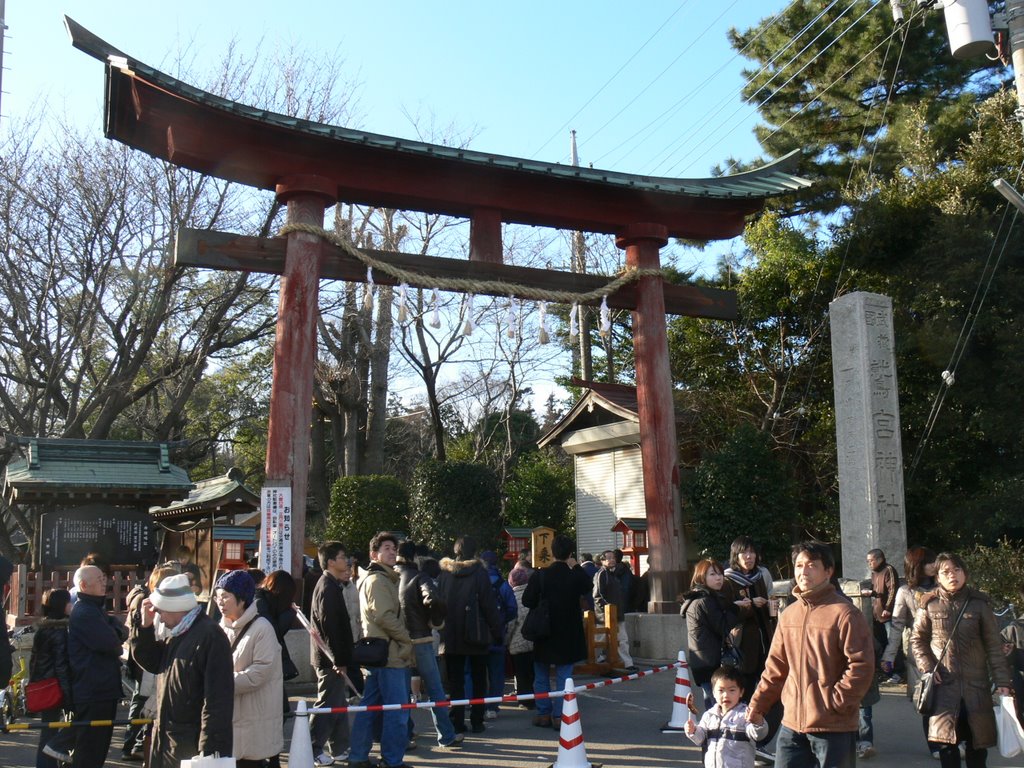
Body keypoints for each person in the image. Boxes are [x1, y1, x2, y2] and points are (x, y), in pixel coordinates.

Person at [747, 541, 874, 768]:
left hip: (833, 725)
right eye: (798, 565)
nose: (803, 571)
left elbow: (861, 666)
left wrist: (836, 701)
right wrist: (758, 706)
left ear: (828, 571)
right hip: (792, 724)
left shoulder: (845, 613)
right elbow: (776, 668)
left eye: (812, 565)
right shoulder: (788, 615)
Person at [911, 552, 1013, 768]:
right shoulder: (929, 603)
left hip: (976, 687)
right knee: (947, 748)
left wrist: (1003, 683)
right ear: (938, 577)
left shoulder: (980, 604)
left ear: (965, 573)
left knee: (977, 748)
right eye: (946, 571)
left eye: (957, 570)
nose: (952, 575)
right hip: (943, 688)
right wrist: (928, 668)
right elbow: (917, 640)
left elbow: (994, 647)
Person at [132, 572, 234, 767]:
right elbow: (153, 662)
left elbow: (216, 701)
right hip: (169, 740)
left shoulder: (209, 636)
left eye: (161, 612)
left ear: (175, 608)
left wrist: (209, 752)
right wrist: (144, 628)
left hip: (190, 745)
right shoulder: (180, 634)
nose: (159, 619)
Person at [348, 531, 414, 768]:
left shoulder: (379, 578)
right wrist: (406, 639)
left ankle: (358, 756)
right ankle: (392, 761)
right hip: (390, 653)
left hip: (379, 652)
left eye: (394, 548)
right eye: (386, 548)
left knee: (370, 707)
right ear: (374, 554)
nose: (392, 552)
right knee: (397, 711)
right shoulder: (378, 580)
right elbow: (384, 615)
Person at [395, 541, 462, 749]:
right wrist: (436, 621)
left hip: (398, 641)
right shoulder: (418, 576)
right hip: (421, 638)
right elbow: (432, 599)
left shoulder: (390, 576)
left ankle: (405, 735)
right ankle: (446, 735)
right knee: (435, 689)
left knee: (401, 692)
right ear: (414, 556)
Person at [215, 569, 283, 768]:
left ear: (242, 599)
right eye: (218, 597)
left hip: (254, 718)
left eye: (226, 597)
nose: (220, 602)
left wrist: (219, 682)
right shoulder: (220, 628)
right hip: (229, 718)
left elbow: (258, 674)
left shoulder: (262, 628)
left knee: (249, 762)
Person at [523, 534, 592, 729]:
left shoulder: (541, 575)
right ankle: (560, 715)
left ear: (552, 552)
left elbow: (527, 600)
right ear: (570, 553)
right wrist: (576, 565)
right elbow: (588, 585)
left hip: (543, 631)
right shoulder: (574, 575)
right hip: (568, 631)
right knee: (564, 676)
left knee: (541, 674)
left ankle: (543, 713)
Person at [61, 564, 126, 768]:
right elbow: (112, 645)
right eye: (98, 579)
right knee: (90, 750)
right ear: (83, 584)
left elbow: (119, 632)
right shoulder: (84, 612)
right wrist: (116, 633)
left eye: (103, 578)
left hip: (102, 688)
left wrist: (115, 631)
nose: (104, 582)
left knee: (97, 749)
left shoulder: (95, 608)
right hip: (93, 689)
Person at [437, 535, 503, 736]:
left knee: (456, 681)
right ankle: (477, 719)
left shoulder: (445, 574)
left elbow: (439, 603)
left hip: (451, 634)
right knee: (479, 679)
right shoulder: (479, 572)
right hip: (477, 633)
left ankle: (457, 720)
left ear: (455, 551)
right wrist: (497, 631)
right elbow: (488, 605)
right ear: (475, 552)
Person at [722, 536, 778, 761]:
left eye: (752, 552)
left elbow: (772, 604)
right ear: (735, 556)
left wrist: (772, 608)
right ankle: (739, 742)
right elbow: (726, 613)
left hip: (764, 641)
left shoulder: (761, 575)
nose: (749, 557)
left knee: (763, 694)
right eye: (744, 553)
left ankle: (757, 742)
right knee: (741, 695)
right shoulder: (728, 580)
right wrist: (746, 606)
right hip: (742, 646)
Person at [121, 563, 181, 761]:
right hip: (153, 677)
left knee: (141, 710)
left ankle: (132, 744)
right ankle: (131, 744)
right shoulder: (155, 610)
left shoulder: (155, 606)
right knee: (143, 709)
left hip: (150, 673)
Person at [892, 545, 941, 758]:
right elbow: (896, 625)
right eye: (929, 562)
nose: (934, 566)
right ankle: (936, 744)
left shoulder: (945, 585)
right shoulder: (906, 592)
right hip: (920, 652)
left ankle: (952, 738)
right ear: (917, 566)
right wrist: (887, 657)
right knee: (929, 699)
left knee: (950, 698)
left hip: (947, 650)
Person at [309, 541, 354, 767]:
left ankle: (339, 748)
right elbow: (331, 628)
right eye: (342, 556)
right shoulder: (327, 587)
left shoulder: (331, 584)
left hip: (332, 658)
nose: (346, 561)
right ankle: (312, 749)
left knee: (338, 704)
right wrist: (339, 660)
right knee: (327, 704)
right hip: (329, 659)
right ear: (330, 562)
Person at [680, 558, 739, 711]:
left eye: (720, 574)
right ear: (701, 577)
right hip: (709, 662)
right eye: (712, 574)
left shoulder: (702, 598)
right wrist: (736, 609)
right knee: (717, 708)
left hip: (703, 662)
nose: (719, 578)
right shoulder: (705, 600)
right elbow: (723, 626)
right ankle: (714, 734)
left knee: (713, 705)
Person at [686, 665, 768, 768]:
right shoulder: (709, 715)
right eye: (721, 690)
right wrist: (693, 731)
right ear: (713, 693)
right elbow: (701, 739)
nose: (726, 695)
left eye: (732, 690)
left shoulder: (745, 715)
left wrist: (758, 722)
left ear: (741, 692)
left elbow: (758, 735)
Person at [30, 588, 73, 768]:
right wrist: (68, 694)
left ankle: (45, 764)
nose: (72, 605)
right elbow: (61, 666)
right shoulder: (60, 630)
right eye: (69, 602)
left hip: (44, 684)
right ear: (62, 606)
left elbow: (34, 660)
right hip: (56, 686)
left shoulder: (44, 628)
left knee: (47, 730)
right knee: (54, 732)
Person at [254, 569, 299, 716]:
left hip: (268, 661)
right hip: (262, 662)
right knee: (280, 709)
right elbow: (273, 631)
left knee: (282, 710)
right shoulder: (260, 602)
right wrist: (290, 614)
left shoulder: (265, 600)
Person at [480, 549, 518, 720]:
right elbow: (512, 609)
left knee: (478, 673)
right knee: (496, 674)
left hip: (478, 636)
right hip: (497, 635)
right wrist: (501, 622)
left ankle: (477, 706)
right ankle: (492, 707)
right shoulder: (503, 585)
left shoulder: (476, 582)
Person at [594, 550, 637, 672]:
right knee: (601, 640)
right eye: (608, 558)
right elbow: (597, 596)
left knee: (622, 639)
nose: (612, 560)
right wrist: (607, 608)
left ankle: (627, 663)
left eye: (613, 558)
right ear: (602, 561)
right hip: (605, 615)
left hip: (617, 613)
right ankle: (599, 660)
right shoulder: (601, 574)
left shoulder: (613, 574)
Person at [861, 548, 901, 683]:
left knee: (892, 645)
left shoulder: (889, 570)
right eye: (868, 561)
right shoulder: (874, 573)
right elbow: (877, 591)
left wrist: (888, 608)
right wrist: (870, 593)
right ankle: (887, 672)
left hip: (887, 615)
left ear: (880, 559)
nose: (869, 563)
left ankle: (896, 673)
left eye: (871, 560)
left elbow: (893, 591)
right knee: (881, 644)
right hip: (877, 615)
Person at [506, 565, 535, 709]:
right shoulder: (534, 594)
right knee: (534, 673)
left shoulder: (512, 598)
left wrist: (507, 640)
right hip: (535, 641)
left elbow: (511, 623)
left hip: (518, 643)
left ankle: (525, 701)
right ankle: (538, 699)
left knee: (521, 674)